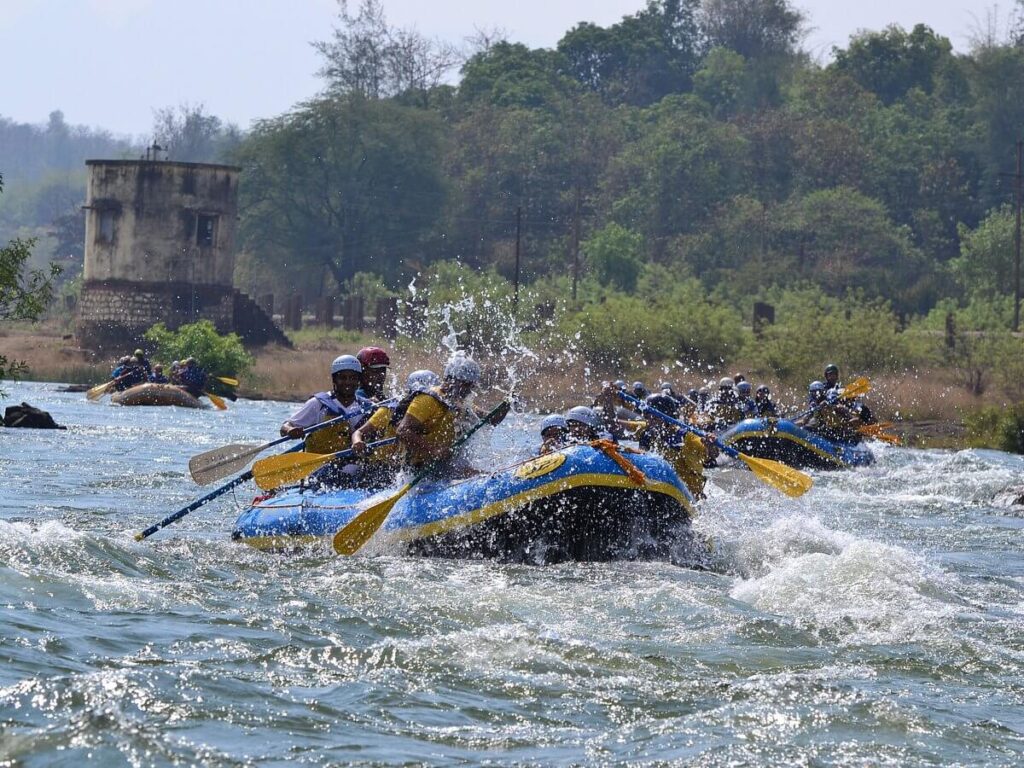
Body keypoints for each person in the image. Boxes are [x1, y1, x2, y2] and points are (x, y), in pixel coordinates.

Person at [395, 354, 509, 475]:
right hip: (419, 469)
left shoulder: (460, 403)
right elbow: (402, 431)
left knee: (483, 475)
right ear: (452, 380)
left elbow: (491, 420)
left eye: (472, 386)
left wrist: (507, 404)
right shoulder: (427, 399)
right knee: (476, 474)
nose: (469, 390)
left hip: (444, 466)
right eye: (466, 385)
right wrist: (434, 450)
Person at [280, 355, 375, 487]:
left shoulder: (368, 407)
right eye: (343, 378)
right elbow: (284, 427)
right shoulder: (318, 404)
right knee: (332, 474)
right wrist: (290, 430)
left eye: (353, 378)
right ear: (334, 379)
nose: (348, 382)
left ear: (359, 380)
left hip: (356, 473)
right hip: (321, 471)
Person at [351, 369, 440, 486]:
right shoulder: (389, 410)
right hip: (381, 468)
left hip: (412, 466)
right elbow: (358, 432)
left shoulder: (434, 413)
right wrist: (357, 442)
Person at [636, 394, 715, 500]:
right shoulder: (647, 434)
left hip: (688, 496)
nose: (649, 420)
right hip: (663, 490)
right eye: (646, 416)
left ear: (666, 416)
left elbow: (711, 457)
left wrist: (709, 445)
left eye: (653, 416)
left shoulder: (687, 437)